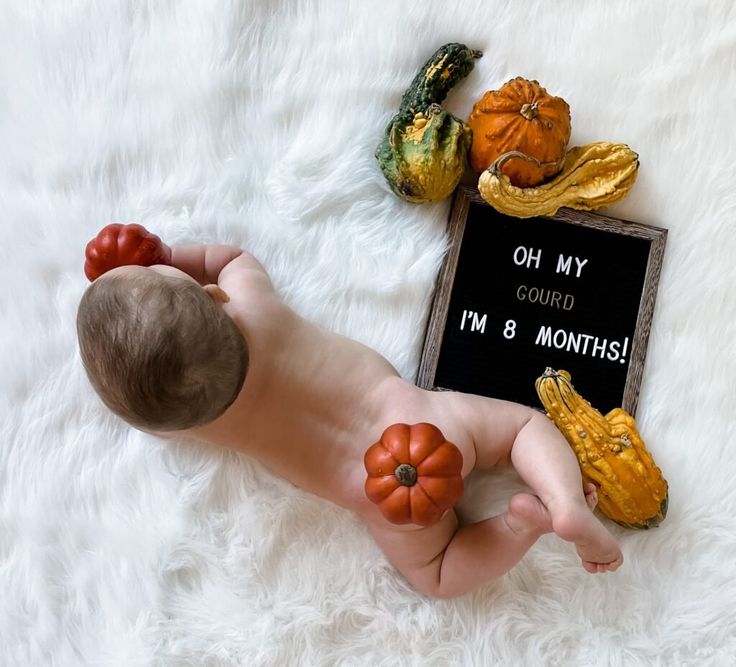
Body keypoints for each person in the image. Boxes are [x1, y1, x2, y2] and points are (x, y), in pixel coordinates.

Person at [76, 243, 623, 599]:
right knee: (525, 428)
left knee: (436, 574)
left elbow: (149, 413)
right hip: (417, 419)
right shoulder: (249, 304)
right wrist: (172, 253)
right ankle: (566, 501)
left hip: (378, 494)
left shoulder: (191, 423)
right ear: (215, 299)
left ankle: (521, 525)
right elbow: (233, 259)